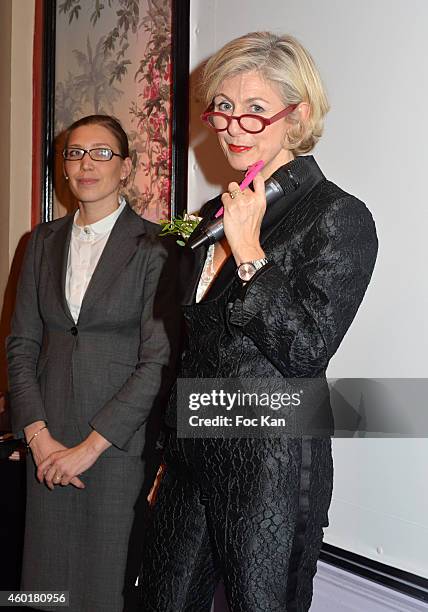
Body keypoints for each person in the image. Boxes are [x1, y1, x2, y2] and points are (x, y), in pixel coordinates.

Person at [139, 32, 378, 612]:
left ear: (297, 117)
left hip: (268, 464)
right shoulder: (211, 216)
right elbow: (196, 348)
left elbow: (308, 351)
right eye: (223, 106)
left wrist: (249, 253)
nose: (231, 125)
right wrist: (168, 453)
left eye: (255, 110)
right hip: (193, 457)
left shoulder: (338, 215)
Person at [7, 114, 177, 612]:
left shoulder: (158, 246)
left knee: (106, 591)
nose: (86, 163)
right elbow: (21, 344)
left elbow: (158, 358)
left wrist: (89, 447)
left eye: (102, 153)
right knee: (43, 589)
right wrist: (38, 437)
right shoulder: (38, 243)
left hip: (117, 448)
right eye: (75, 153)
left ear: (125, 168)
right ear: (63, 168)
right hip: (48, 442)